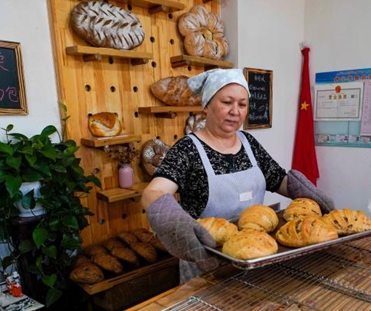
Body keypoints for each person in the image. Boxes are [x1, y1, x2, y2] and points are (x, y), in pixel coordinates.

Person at [141, 68, 335, 283]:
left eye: (242, 104)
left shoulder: (248, 143)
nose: (235, 111)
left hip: (254, 254)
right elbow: (154, 191)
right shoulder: (188, 149)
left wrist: (301, 189)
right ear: (206, 105)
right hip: (208, 261)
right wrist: (172, 221)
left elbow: (278, 179)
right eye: (227, 102)